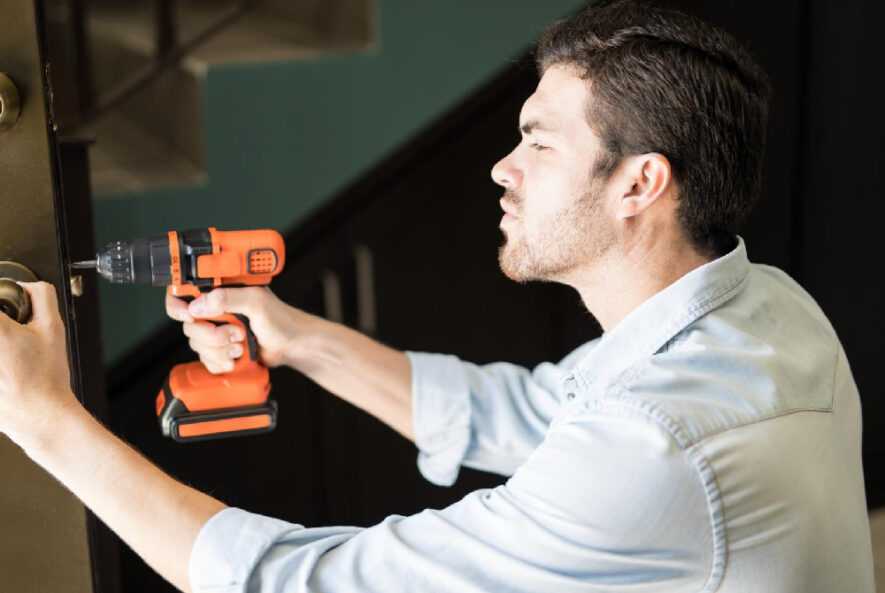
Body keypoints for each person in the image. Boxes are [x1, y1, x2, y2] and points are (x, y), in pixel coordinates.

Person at [0, 1, 875, 591]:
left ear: (640, 183)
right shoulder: (767, 306)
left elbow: (299, 583)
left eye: (537, 142)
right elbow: (526, 412)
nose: (502, 167)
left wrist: (43, 415)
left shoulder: (651, 449)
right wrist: (295, 337)